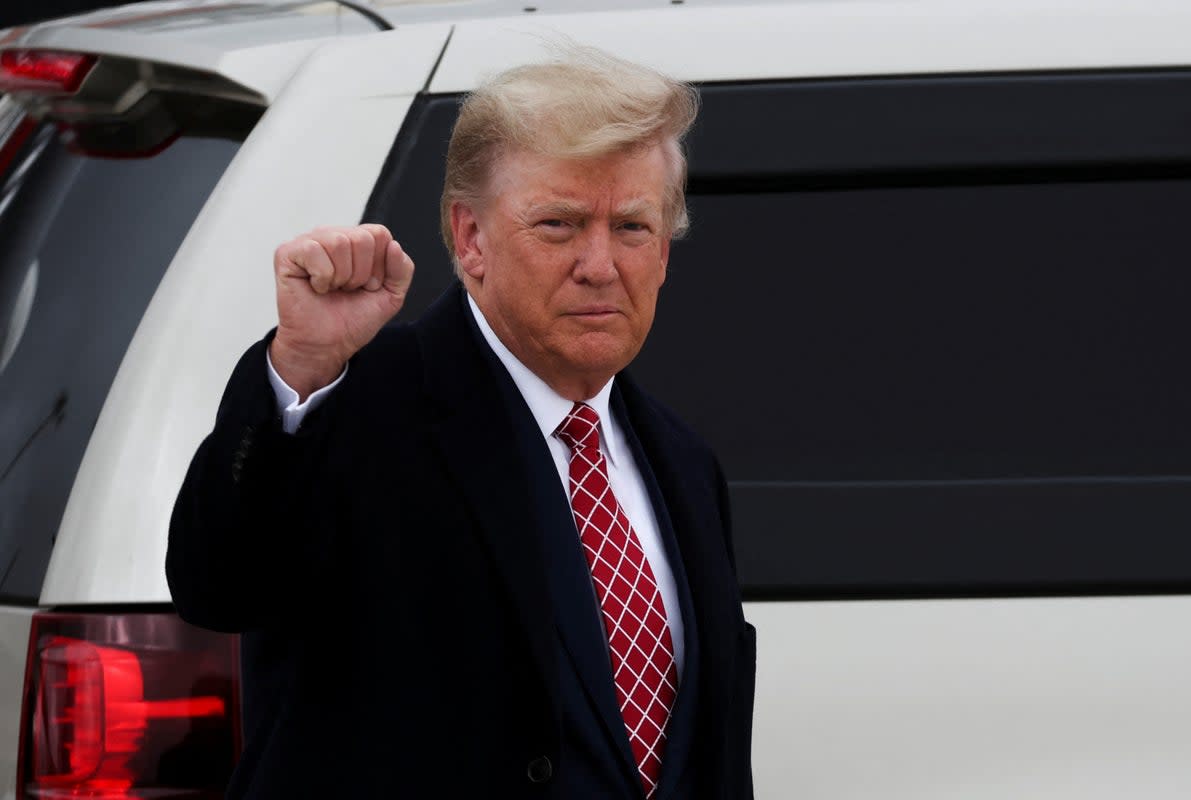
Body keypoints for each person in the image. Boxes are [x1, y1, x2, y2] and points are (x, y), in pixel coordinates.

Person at [167, 48, 755, 800]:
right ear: (470, 238)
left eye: (634, 227)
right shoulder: (357, 406)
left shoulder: (682, 461)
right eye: (559, 224)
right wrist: (302, 364)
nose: (601, 264)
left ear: (665, 252)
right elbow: (220, 588)